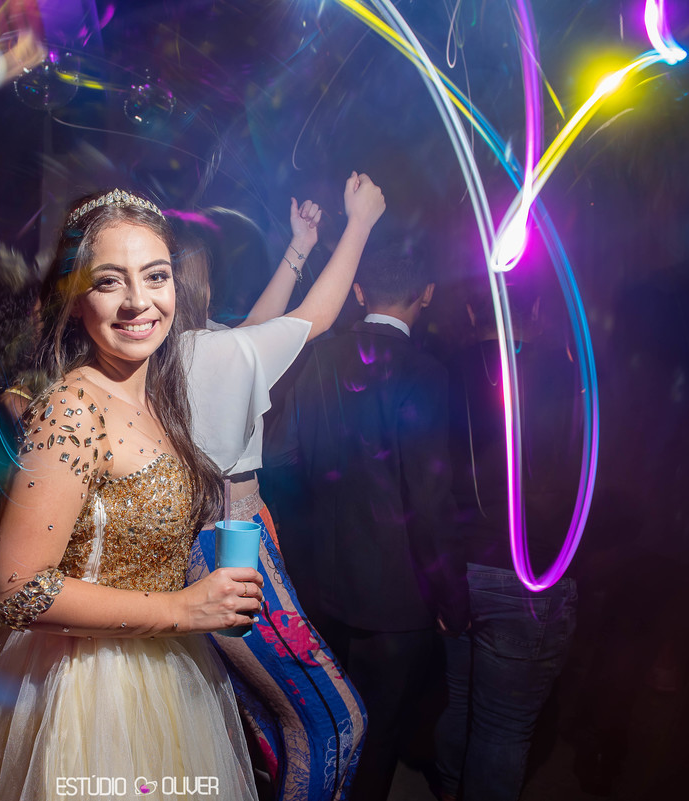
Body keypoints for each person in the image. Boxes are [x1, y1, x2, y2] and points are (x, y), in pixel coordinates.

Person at [0, 188, 264, 801]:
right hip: (91, 693)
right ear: (75, 296)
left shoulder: (155, 396)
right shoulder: (73, 407)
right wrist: (184, 609)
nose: (139, 301)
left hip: (166, 673)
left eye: (156, 276)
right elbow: (16, 589)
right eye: (109, 281)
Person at [174, 171, 384, 801]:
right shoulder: (205, 354)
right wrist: (360, 224)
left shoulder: (185, 350)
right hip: (229, 545)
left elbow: (254, 332)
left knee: (273, 723)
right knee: (335, 723)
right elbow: (308, 322)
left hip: (213, 540)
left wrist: (299, 247)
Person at [270, 248, 469, 801]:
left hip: (318, 587)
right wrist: (452, 598)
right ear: (426, 293)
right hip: (396, 601)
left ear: (358, 293)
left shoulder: (316, 356)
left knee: (321, 728)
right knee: (376, 741)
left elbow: (280, 457)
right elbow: (429, 498)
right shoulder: (425, 372)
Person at [433, 286, 578, 801]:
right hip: (530, 574)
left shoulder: (444, 372)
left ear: (473, 309)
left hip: (459, 568)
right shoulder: (567, 376)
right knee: (502, 727)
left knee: (460, 702)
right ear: (536, 308)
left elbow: (429, 478)